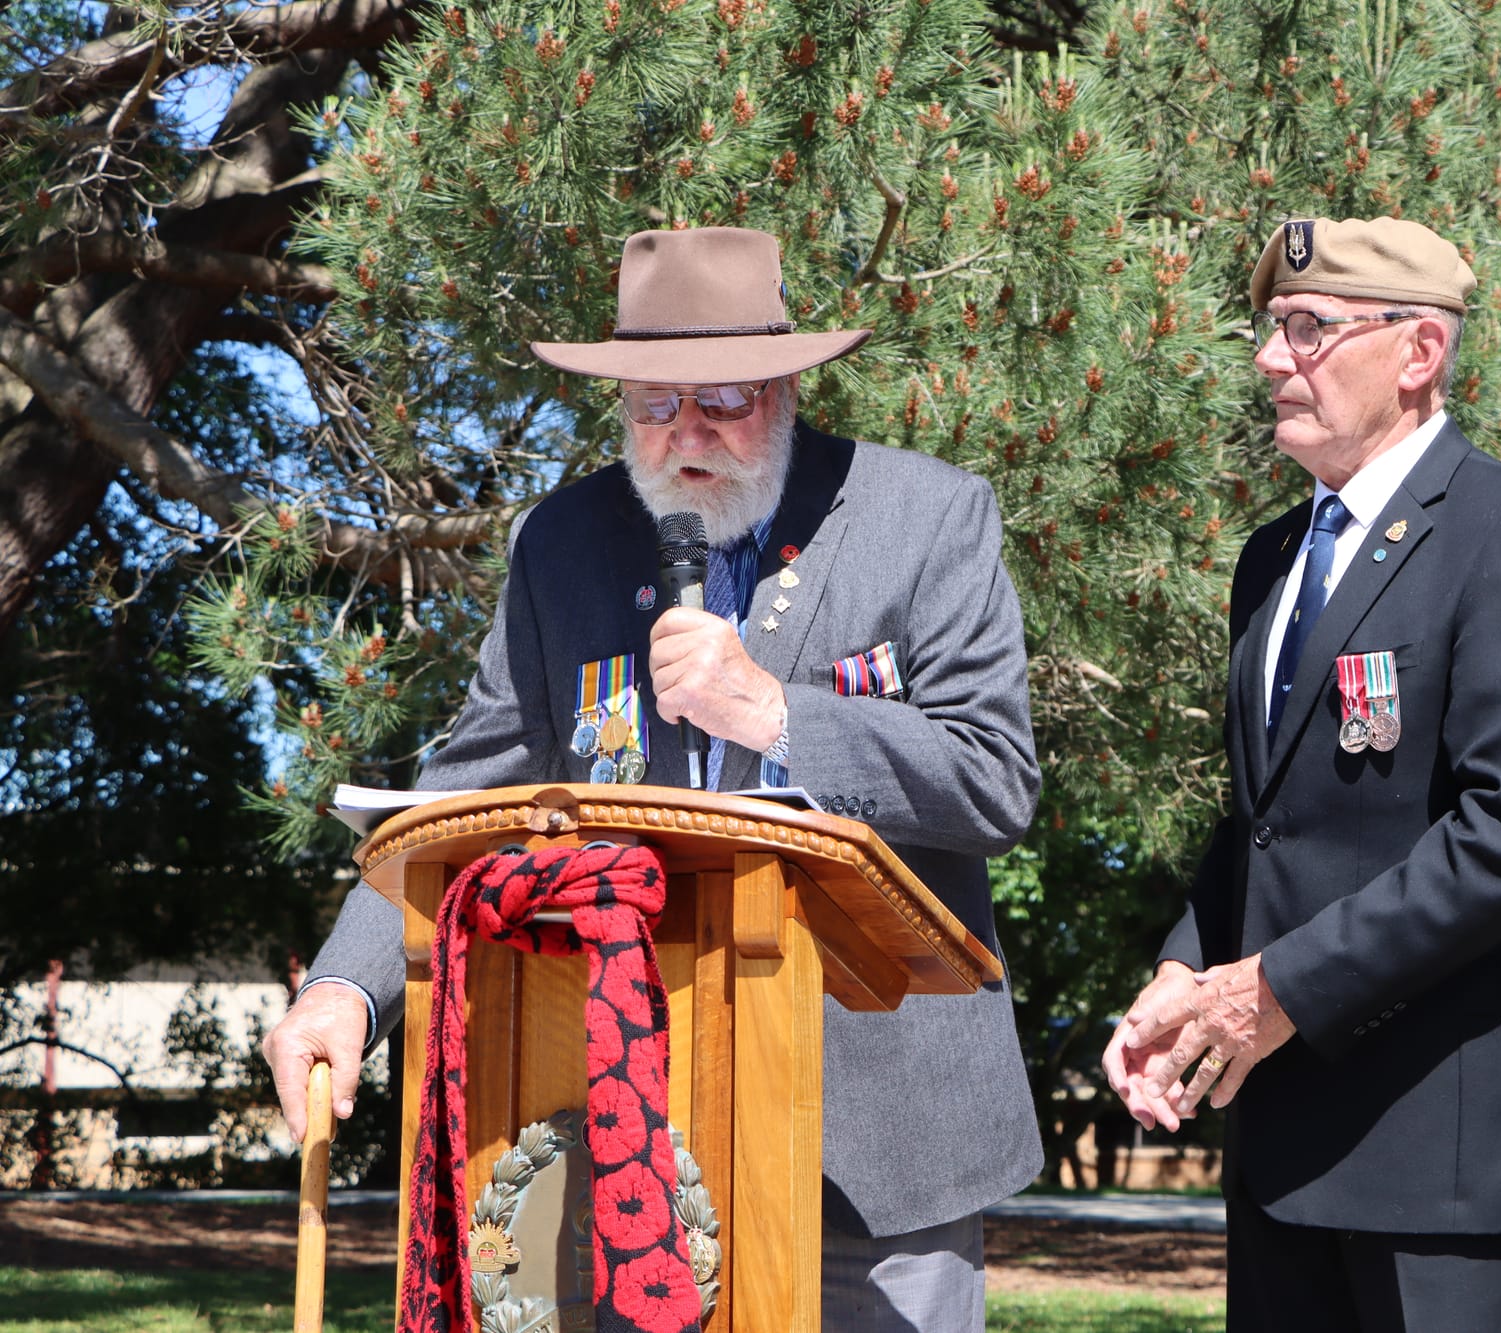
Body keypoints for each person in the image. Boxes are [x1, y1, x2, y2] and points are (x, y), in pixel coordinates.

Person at [262, 227, 1043, 1329]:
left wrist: (770, 712)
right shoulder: (562, 544)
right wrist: (346, 987)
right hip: (629, 1118)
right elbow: (463, 796)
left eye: (718, 400)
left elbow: (994, 779)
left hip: (880, 1139)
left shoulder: (923, 518)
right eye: (650, 404)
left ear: (782, 381)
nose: (684, 435)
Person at [1101, 216, 1501, 1331]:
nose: (1270, 358)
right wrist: (1181, 973)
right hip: (1284, 1145)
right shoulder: (1271, 559)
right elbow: (1263, 821)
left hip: (1446, 1155)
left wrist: (1270, 990)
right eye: (1273, 328)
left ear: (1417, 354)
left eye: (1308, 329)